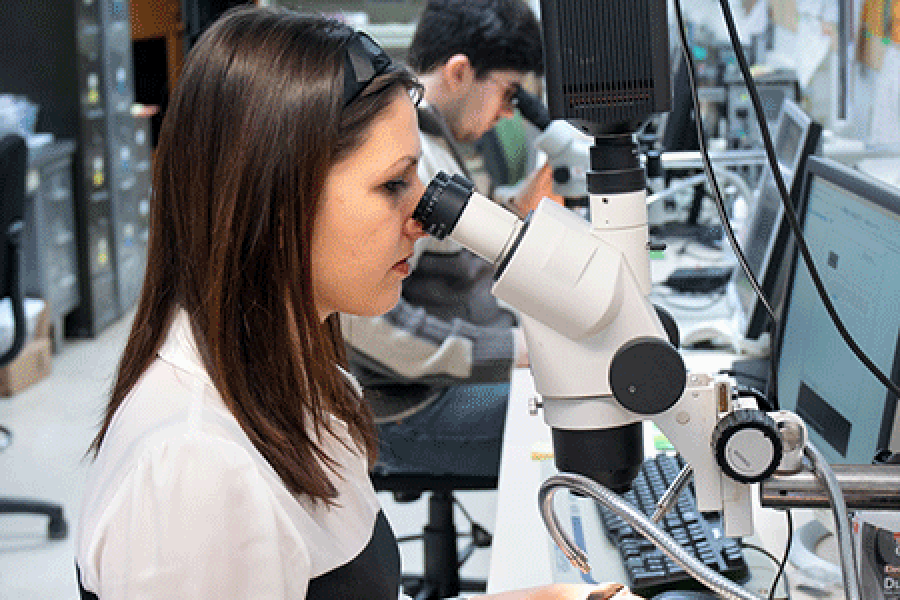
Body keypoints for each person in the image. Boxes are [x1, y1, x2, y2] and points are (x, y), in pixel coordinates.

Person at [73, 7, 639, 600]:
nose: (424, 220)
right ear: (276, 196)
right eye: (394, 184)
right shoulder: (194, 474)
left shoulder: (303, 380)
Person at [341, 0, 552, 484]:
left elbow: (451, 249)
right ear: (459, 71)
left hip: (432, 380)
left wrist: (515, 208)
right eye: (508, 92)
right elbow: (371, 325)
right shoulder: (410, 159)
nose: (507, 113)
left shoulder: (432, 146)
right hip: (406, 406)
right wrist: (513, 349)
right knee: (575, 417)